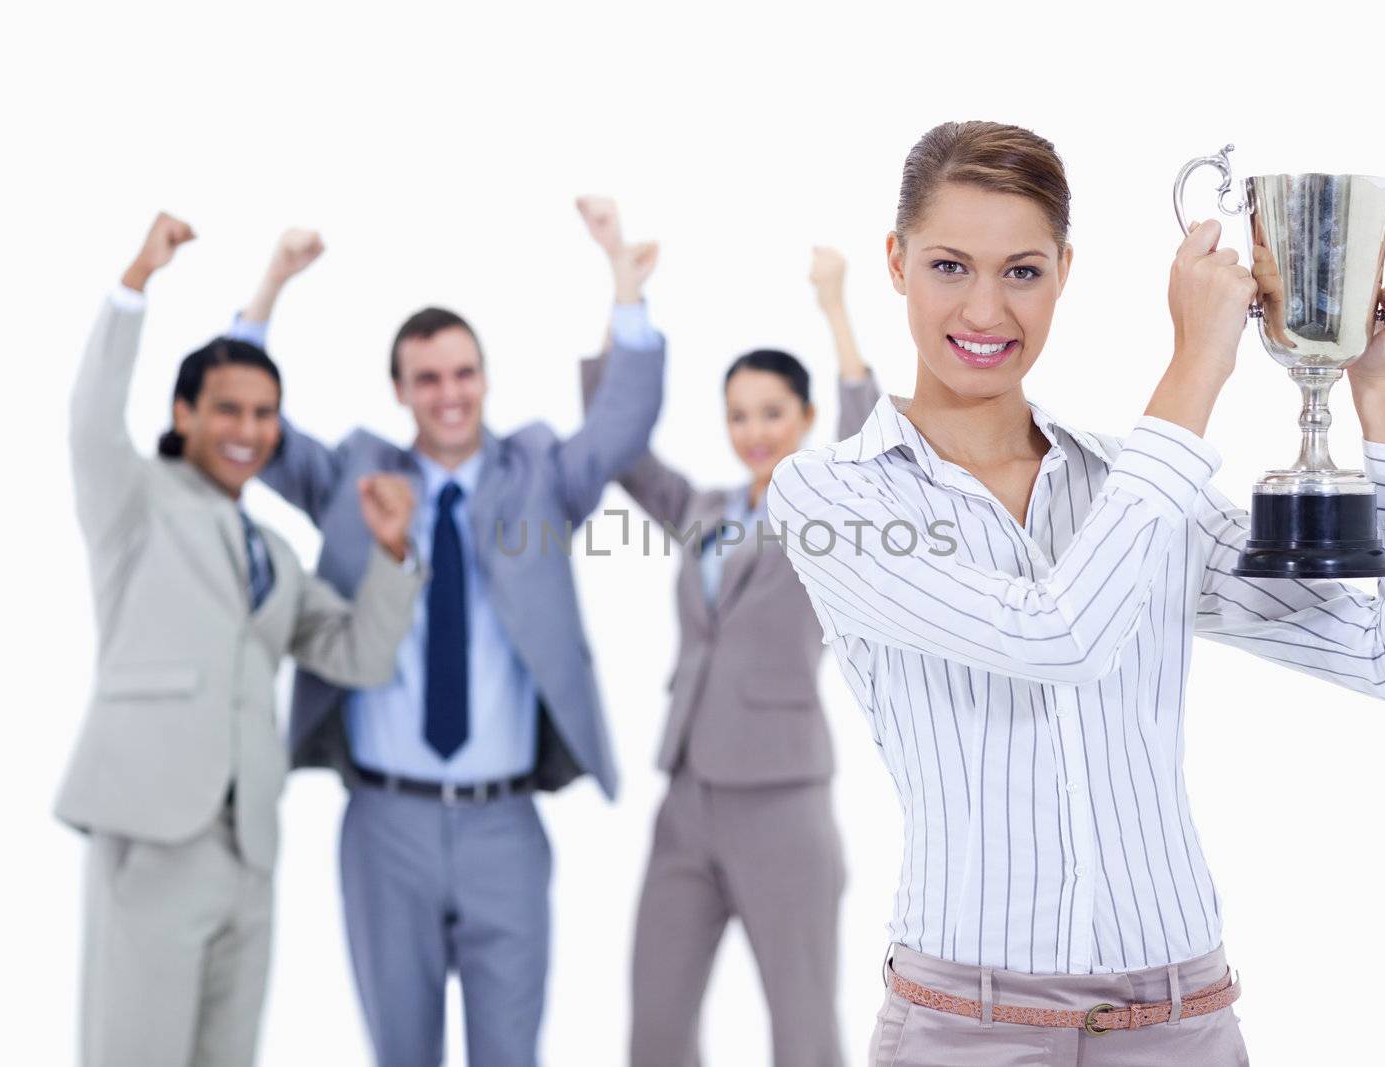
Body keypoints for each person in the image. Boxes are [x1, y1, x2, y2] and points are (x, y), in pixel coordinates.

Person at [765, 121, 1385, 1066]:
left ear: (1064, 270)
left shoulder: (1131, 488)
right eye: (947, 266)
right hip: (967, 1029)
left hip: (1180, 1019)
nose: (984, 309)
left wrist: (1383, 391)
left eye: (1021, 271)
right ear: (895, 263)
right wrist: (1196, 367)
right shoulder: (833, 497)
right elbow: (1060, 634)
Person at [236, 206, 665, 1067]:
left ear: (486, 378)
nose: (450, 393)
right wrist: (269, 289)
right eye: (427, 378)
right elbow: (251, 431)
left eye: (464, 372)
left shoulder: (540, 474)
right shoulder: (356, 474)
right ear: (399, 389)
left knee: (511, 1054)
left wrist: (625, 288)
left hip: (504, 822)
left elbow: (621, 425)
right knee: (403, 1053)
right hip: (383, 823)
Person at [58, 213, 424, 1067]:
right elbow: (90, 419)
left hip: (248, 845)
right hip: (153, 836)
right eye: (228, 408)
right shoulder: (133, 502)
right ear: (184, 411)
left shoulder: (275, 550)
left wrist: (394, 554)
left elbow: (357, 655)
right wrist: (134, 284)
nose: (248, 429)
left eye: (266, 414)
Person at [580, 209, 881, 1066]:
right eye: (738, 414)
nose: (754, 430)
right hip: (686, 793)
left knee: (801, 1022)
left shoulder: (828, 516)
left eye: (772, 412)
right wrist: (624, 298)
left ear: (806, 415)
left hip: (783, 797)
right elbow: (617, 450)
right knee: (657, 1022)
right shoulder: (703, 511)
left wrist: (834, 306)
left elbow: (868, 445)